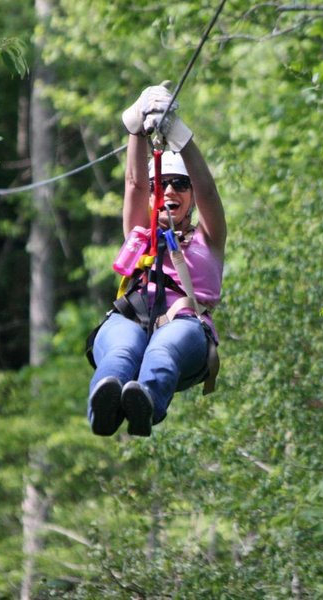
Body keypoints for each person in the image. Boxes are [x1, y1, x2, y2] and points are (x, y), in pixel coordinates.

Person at [87, 83, 226, 437]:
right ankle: (104, 408)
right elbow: (134, 183)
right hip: (130, 319)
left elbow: (208, 188)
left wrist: (181, 137)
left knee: (164, 349)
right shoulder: (139, 231)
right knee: (120, 351)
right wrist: (134, 128)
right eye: (160, 185)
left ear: (191, 196)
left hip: (185, 327)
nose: (169, 192)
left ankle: (145, 402)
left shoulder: (208, 238)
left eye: (180, 184)